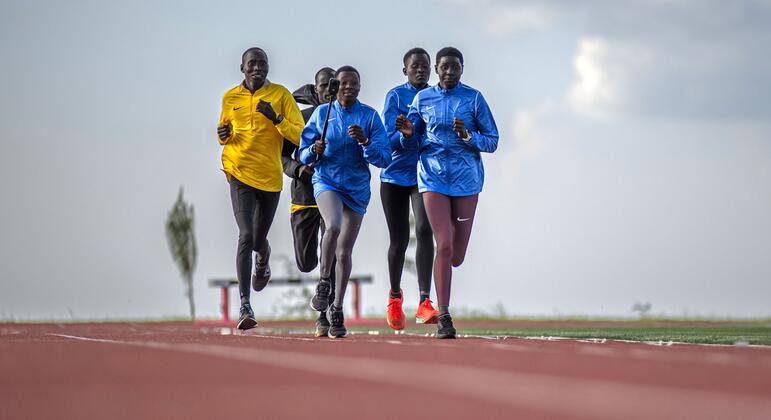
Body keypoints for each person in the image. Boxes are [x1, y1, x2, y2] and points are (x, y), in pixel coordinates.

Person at [395, 47, 499, 339]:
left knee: (457, 255)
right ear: (436, 70)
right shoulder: (422, 98)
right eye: (444, 68)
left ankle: (448, 274)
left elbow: (492, 141)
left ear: (462, 69)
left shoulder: (474, 99)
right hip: (432, 177)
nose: (449, 72)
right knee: (445, 245)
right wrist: (406, 135)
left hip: (467, 181)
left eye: (454, 67)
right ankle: (444, 315)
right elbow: (410, 140)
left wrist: (468, 136)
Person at [299, 66, 391, 338]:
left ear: (360, 87)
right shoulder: (322, 114)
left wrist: (365, 142)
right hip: (327, 180)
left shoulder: (370, 116)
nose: (349, 87)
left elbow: (384, 158)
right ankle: (324, 282)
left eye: (355, 84)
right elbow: (303, 151)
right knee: (333, 226)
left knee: (344, 252)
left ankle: (337, 309)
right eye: (344, 83)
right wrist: (312, 151)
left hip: (357, 189)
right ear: (335, 86)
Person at [217, 47, 304, 330]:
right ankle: (245, 304)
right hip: (239, 171)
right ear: (242, 67)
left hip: (269, 177)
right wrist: (222, 135)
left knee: (256, 239)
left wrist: (276, 119)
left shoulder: (281, 95)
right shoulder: (230, 97)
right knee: (245, 234)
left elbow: (302, 133)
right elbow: (225, 130)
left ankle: (263, 255)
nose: (257, 68)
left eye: (262, 64)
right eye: (252, 64)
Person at [380, 48, 438, 330]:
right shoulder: (395, 96)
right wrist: (405, 137)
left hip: (424, 174)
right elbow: (386, 140)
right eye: (415, 66)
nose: (421, 70)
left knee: (425, 230)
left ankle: (425, 301)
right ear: (405, 70)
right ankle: (394, 297)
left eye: (425, 66)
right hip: (394, 175)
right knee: (399, 239)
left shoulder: (434, 96)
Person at [281, 67, 338, 337]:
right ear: (316, 90)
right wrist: (299, 169)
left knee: (332, 254)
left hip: (333, 195)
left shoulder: (345, 117)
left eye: (334, 85)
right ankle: (324, 307)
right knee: (306, 262)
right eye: (324, 86)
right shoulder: (300, 118)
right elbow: (280, 158)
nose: (330, 90)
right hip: (304, 198)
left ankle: (327, 315)